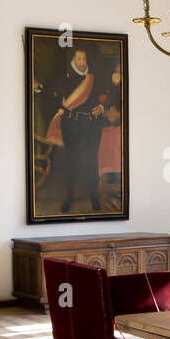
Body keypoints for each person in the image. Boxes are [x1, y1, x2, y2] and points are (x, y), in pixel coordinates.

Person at [44, 47, 108, 214]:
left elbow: (112, 92)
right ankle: (69, 197)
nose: (82, 62)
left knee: (92, 161)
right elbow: (52, 95)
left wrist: (103, 107)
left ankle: (93, 196)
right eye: (79, 59)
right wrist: (58, 107)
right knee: (70, 161)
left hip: (92, 124)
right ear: (73, 60)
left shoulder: (94, 79)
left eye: (84, 59)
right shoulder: (65, 78)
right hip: (71, 124)